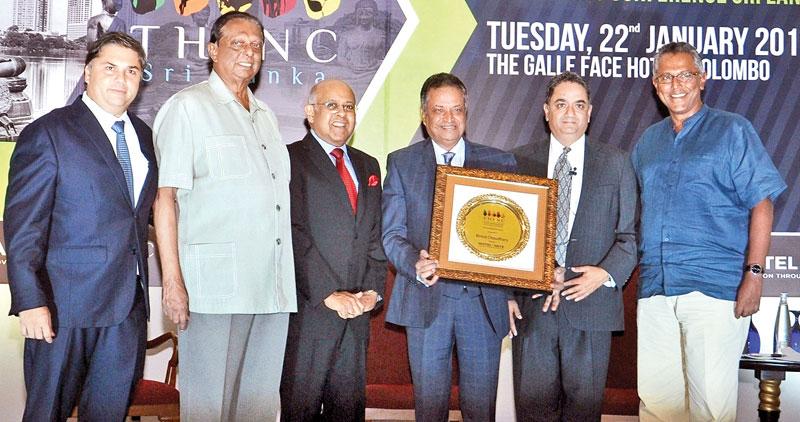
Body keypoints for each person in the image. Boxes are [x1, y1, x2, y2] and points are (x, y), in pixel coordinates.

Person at [152, 11, 296, 421]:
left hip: (271, 288)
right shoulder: (187, 108)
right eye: (237, 43)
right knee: (207, 407)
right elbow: (167, 200)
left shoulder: (266, 116)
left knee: (258, 407)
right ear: (212, 50)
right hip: (212, 290)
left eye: (256, 46)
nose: (248, 53)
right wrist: (173, 282)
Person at [5, 32, 156, 421]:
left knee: (109, 413)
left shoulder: (142, 136)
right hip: (62, 308)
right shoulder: (49, 132)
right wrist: (30, 301)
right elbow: (24, 226)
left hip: (126, 309)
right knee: (47, 412)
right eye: (110, 67)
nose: (121, 79)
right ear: (87, 72)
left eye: (132, 70)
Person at [633, 42, 787, 422]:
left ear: (702, 79)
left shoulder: (733, 130)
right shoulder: (647, 142)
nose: (676, 85)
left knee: (710, 411)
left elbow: (762, 203)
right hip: (655, 292)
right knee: (657, 406)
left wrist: (754, 276)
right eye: (666, 77)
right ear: (656, 85)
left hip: (713, 290)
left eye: (685, 74)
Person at [382, 72, 516, 421]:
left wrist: (513, 291)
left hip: (482, 306)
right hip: (427, 302)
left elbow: (513, 239)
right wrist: (414, 262)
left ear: (466, 114)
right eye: (439, 110)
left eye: (457, 110)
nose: (449, 119)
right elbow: (391, 235)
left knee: (481, 411)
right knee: (429, 410)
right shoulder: (402, 163)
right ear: (424, 117)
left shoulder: (500, 163)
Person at [509, 72, 637, 422]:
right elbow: (504, 242)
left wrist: (605, 273)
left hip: (591, 307)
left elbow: (630, 236)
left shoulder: (617, 162)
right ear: (546, 110)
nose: (570, 113)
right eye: (561, 104)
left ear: (590, 112)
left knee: (584, 413)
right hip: (533, 309)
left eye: (579, 105)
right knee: (533, 411)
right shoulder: (517, 162)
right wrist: (511, 289)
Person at [280, 79, 386, 421]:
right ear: (311, 113)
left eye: (349, 107)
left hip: (356, 315)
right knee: (301, 408)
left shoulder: (369, 166)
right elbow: (291, 233)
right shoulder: (289, 159)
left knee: (348, 410)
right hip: (311, 311)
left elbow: (374, 236)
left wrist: (372, 291)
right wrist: (328, 293)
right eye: (332, 105)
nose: (342, 114)